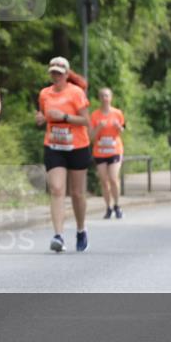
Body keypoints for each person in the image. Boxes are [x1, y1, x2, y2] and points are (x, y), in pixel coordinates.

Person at [35, 57, 91, 252]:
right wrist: (41, 119)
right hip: (54, 145)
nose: (56, 76)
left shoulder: (76, 93)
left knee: (77, 193)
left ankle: (81, 229)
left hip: (77, 146)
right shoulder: (44, 94)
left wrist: (65, 117)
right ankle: (58, 236)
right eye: (53, 72)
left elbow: (86, 121)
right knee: (57, 189)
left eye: (59, 73)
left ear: (67, 74)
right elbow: (43, 116)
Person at [89, 87, 125, 219]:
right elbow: (91, 137)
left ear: (111, 98)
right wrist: (99, 127)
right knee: (104, 181)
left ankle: (117, 205)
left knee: (113, 178)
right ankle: (108, 207)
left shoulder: (117, 113)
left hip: (115, 150)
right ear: (99, 98)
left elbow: (122, 130)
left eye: (107, 96)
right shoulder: (95, 115)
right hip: (100, 151)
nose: (105, 98)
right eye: (102, 96)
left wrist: (118, 127)